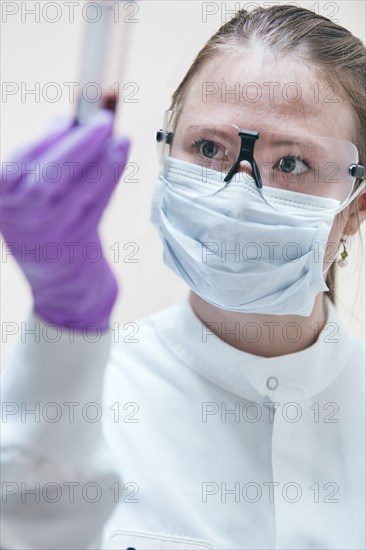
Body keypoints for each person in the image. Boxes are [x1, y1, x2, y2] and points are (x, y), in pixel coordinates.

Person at [1, 5, 365, 550]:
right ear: (168, 154)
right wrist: (64, 325)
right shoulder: (79, 395)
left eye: (291, 163)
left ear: (356, 208)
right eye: (210, 148)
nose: (239, 197)